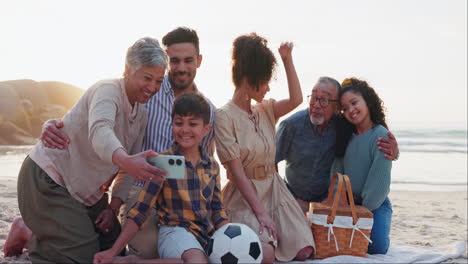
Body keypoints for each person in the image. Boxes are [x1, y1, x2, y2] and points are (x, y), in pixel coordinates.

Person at [7, 27, 214, 259]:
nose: (153, 87)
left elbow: (129, 169)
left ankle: (45, 230)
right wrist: (125, 159)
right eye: (147, 78)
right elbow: (100, 130)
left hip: (89, 192)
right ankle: (30, 233)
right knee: (85, 256)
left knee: (111, 245)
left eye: (157, 80)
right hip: (52, 179)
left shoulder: (151, 111)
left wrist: (112, 207)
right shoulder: (108, 90)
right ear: (127, 70)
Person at [93, 93, 228, 264]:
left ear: (206, 129)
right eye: (179, 123)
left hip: (204, 235)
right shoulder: (164, 163)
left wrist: (231, 235)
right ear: (172, 125)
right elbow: (140, 211)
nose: (185, 129)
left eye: (192, 124)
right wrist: (113, 251)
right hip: (175, 232)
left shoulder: (211, 166)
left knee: (261, 254)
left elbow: (218, 212)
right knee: (196, 261)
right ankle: (134, 262)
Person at [214, 33, 314, 263]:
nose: (268, 88)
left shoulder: (264, 110)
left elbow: (297, 99)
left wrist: (287, 60)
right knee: (266, 253)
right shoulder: (224, 116)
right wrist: (261, 214)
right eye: (265, 81)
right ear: (249, 81)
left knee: (304, 251)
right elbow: (237, 172)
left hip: (275, 190)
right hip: (246, 195)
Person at [275, 77, 399, 213]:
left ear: (336, 107)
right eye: (314, 97)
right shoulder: (291, 125)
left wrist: (394, 151)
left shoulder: (343, 127)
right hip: (293, 200)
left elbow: (365, 140)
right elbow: (269, 162)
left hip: (329, 204)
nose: (316, 104)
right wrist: (286, 197)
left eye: (324, 100)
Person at [331, 77, 393, 254]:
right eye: (344, 108)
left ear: (367, 100)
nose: (351, 110)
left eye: (354, 102)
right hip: (346, 202)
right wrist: (342, 203)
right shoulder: (345, 135)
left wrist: (361, 212)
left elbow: (379, 182)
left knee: (376, 248)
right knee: (339, 243)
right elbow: (337, 172)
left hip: (376, 203)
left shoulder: (381, 135)